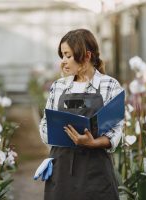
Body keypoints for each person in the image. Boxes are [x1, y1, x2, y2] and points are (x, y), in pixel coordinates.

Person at [39, 29, 124, 200]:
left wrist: (93, 143)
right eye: (62, 56)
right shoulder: (59, 86)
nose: (63, 62)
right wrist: (58, 134)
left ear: (86, 56)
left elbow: (117, 130)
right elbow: (44, 125)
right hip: (61, 170)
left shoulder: (110, 86)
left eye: (68, 56)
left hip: (96, 173)